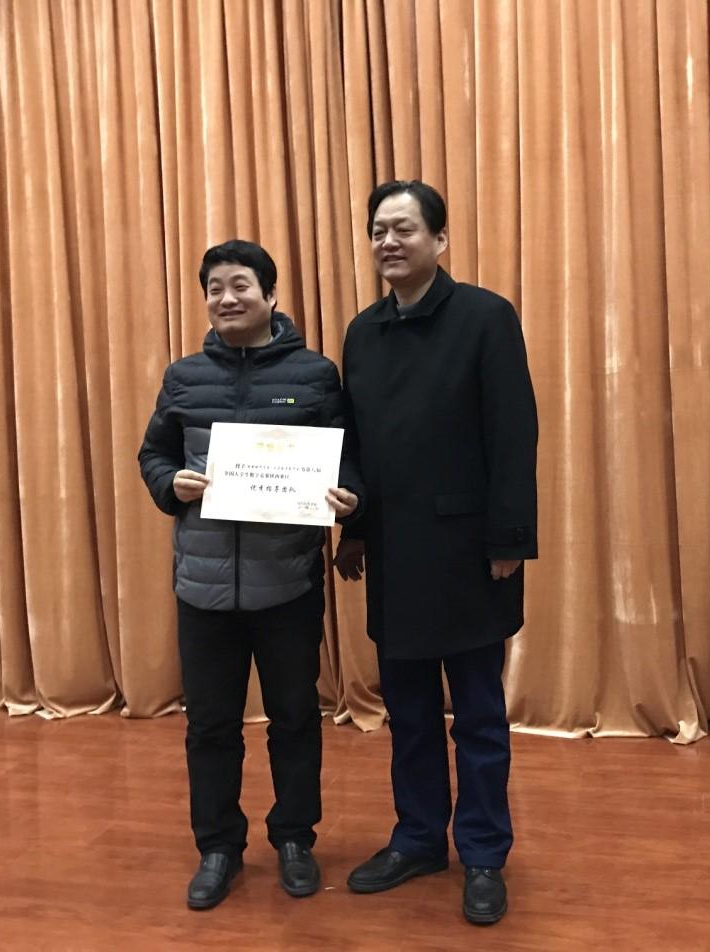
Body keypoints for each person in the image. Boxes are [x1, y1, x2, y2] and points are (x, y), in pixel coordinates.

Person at [335, 181, 538, 925]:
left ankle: (483, 853)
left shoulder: (485, 317)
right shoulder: (362, 332)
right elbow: (353, 443)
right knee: (409, 714)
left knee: (477, 716)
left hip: (469, 554)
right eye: (378, 231)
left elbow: (513, 434)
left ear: (440, 240)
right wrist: (354, 528)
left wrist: (509, 540)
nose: (388, 242)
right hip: (394, 556)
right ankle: (418, 838)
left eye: (405, 229)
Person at [138, 239, 361, 910]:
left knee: (294, 718)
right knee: (210, 726)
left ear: (270, 295)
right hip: (202, 588)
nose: (226, 298)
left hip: (287, 583)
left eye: (240, 285)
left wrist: (347, 494)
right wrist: (169, 484)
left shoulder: (314, 374)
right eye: (214, 288)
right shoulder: (183, 377)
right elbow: (154, 454)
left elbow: (347, 457)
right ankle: (218, 847)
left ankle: (294, 838)